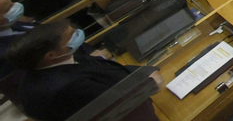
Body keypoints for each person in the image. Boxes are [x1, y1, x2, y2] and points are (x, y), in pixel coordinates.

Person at [7, 21, 156, 121]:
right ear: (51, 55)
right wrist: (149, 83)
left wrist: (144, 72)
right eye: (71, 35)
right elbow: (121, 102)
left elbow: (98, 65)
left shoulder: (55, 59)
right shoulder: (68, 86)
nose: (78, 34)